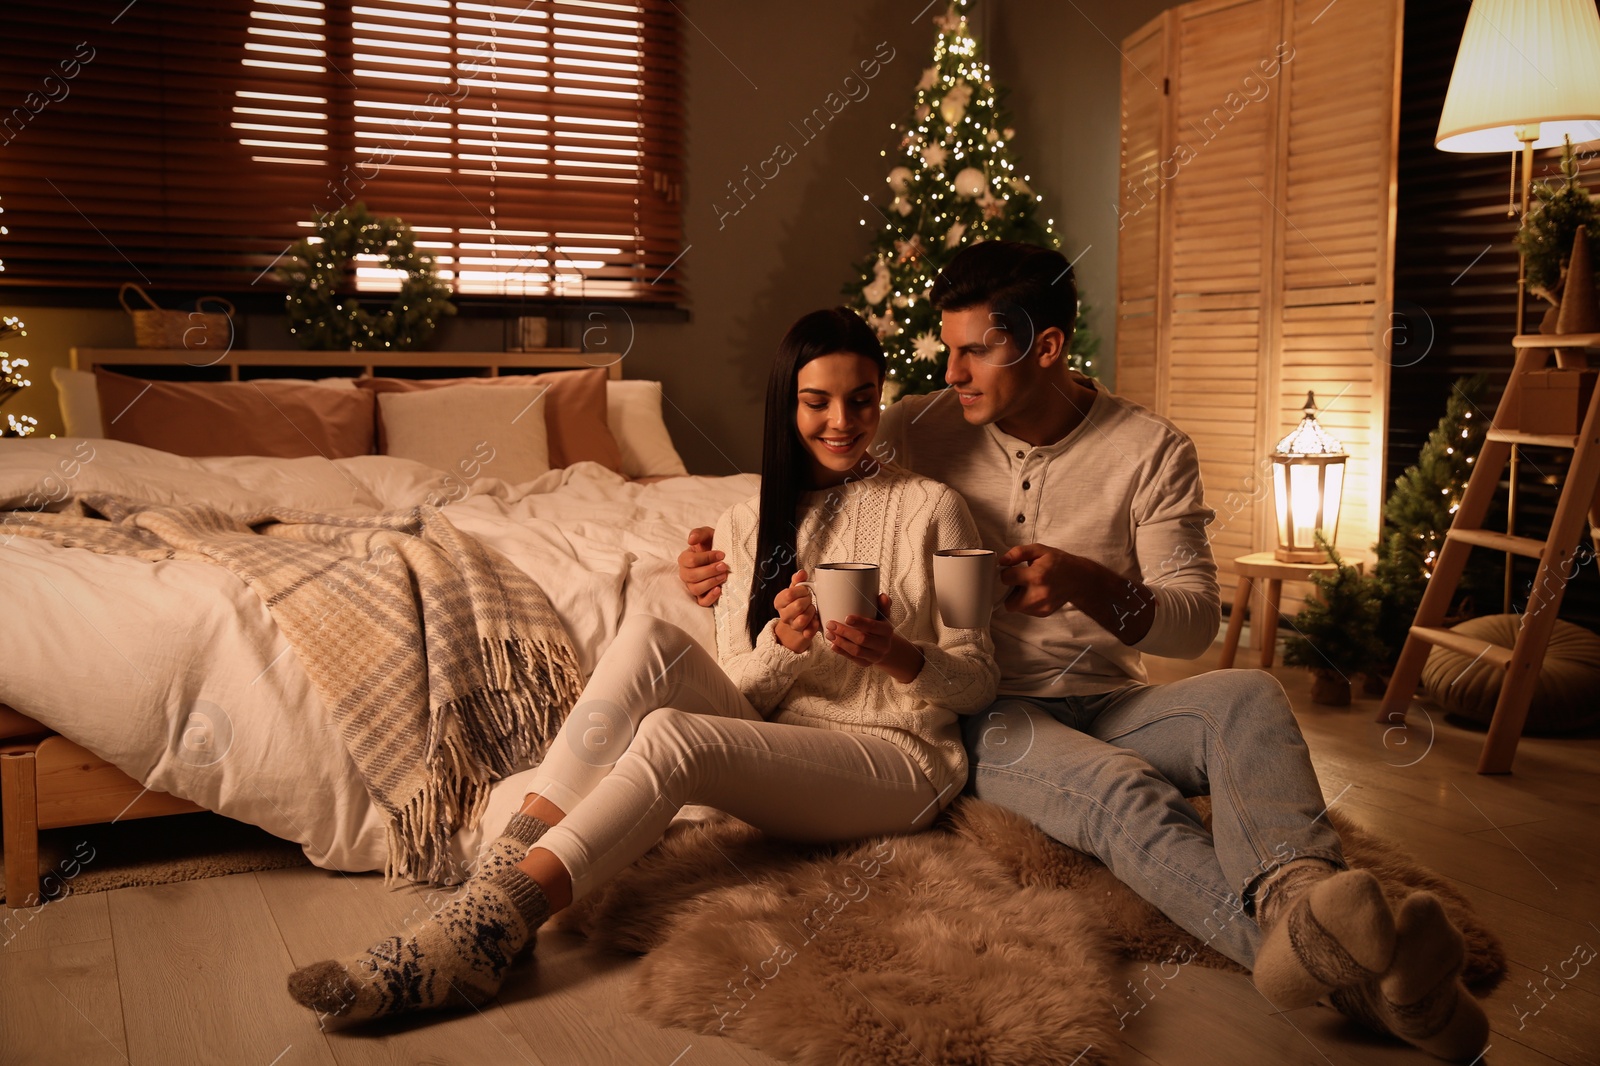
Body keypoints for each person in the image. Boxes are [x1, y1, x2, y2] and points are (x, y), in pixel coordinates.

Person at [679, 242, 1488, 1061]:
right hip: (994, 709)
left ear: (1047, 348)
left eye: (975, 352)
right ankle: (1369, 987)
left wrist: (1089, 584)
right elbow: (807, 483)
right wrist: (716, 560)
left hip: (1115, 695)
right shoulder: (918, 426)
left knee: (1249, 696)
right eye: (947, 349)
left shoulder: (1151, 450)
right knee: (1118, 789)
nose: (952, 373)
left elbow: (1193, 624)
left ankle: (1301, 898)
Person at [287, 307, 998, 1021]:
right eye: (817, 402)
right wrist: (784, 648)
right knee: (646, 638)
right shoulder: (748, 521)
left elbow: (977, 679)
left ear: (881, 396)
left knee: (673, 736)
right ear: (787, 404)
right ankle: (496, 897)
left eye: (863, 399)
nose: (842, 420)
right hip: (792, 745)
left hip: (900, 762)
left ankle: (487, 923)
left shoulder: (938, 510)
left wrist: (901, 655)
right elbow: (744, 687)